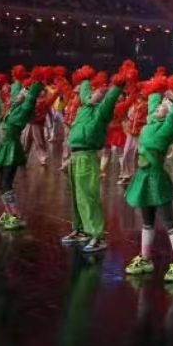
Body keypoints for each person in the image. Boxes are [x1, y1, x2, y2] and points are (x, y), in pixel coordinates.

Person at [123, 79, 173, 283]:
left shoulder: (168, 127)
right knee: (147, 221)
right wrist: (155, 89)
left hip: (156, 178)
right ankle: (145, 257)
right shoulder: (151, 122)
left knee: (169, 222)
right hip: (142, 178)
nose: (159, 107)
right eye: (158, 106)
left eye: (163, 106)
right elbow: (152, 103)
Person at [61, 73, 124, 253]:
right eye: (91, 91)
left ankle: (97, 235)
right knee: (76, 197)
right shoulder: (83, 109)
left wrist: (118, 85)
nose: (92, 94)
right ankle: (80, 229)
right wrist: (85, 79)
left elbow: (110, 99)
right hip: (75, 157)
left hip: (88, 157)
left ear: (100, 99)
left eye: (97, 93)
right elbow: (84, 91)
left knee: (89, 196)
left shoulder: (101, 112)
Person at [0, 79, 45, 229]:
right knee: (1, 184)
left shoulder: (24, 110)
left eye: (22, 93)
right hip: (4, 147)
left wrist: (34, 88)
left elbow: (31, 100)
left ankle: (17, 215)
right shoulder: (13, 108)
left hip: (12, 149)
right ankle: (8, 213)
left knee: (6, 183)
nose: (19, 94)